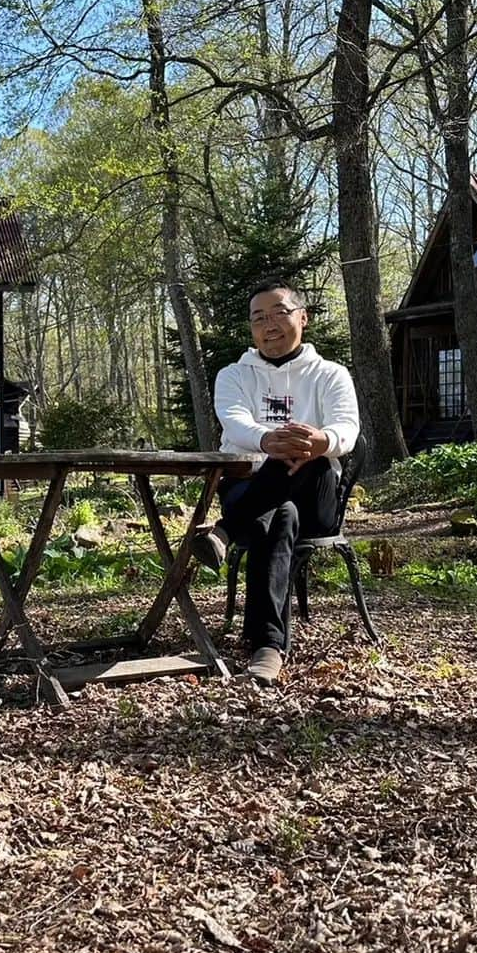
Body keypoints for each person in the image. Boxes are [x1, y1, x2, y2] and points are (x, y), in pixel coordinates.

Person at [192, 278, 360, 685]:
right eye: (258, 318)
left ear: (303, 318)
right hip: (248, 486)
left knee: (314, 460)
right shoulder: (233, 375)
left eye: (279, 313)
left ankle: (226, 531)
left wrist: (320, 441)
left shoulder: (330, 374)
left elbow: (347, 429)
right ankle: (268, 648)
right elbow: (235, 423)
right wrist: (269, 440)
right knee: (278, 513)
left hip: (315, 494)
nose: (269, 325)